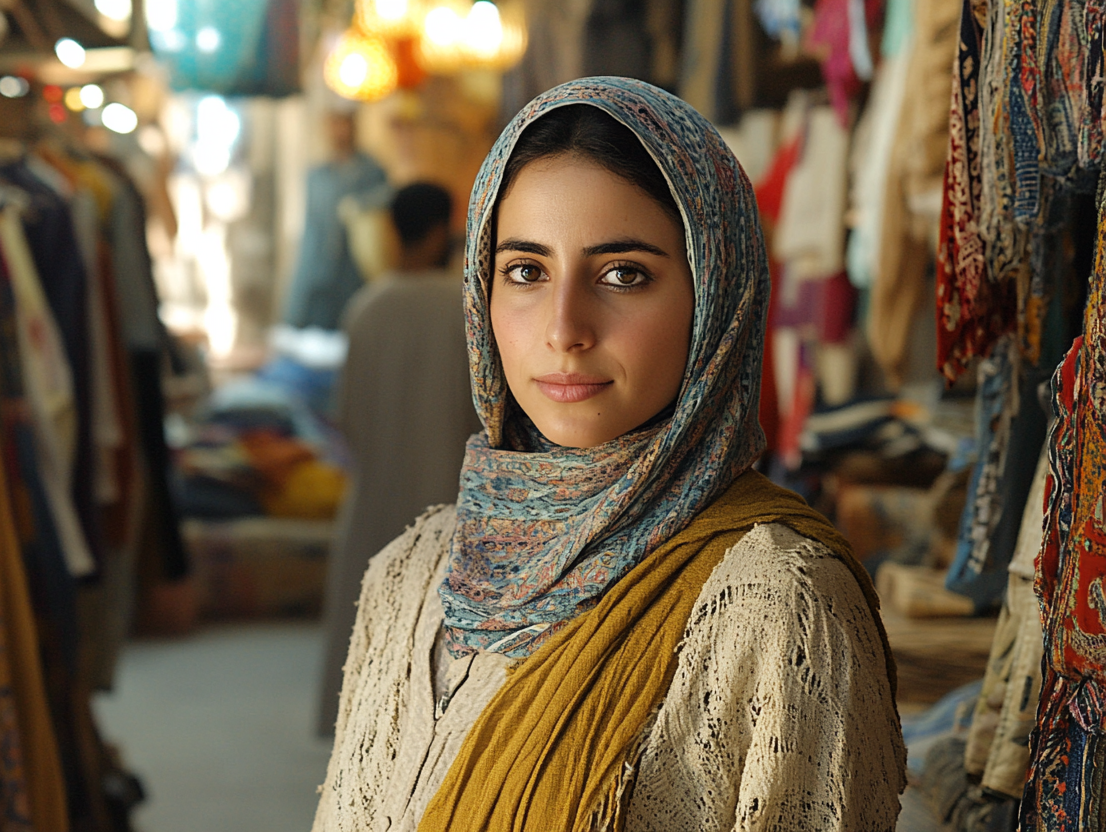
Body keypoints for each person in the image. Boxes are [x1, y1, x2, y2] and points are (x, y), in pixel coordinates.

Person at [313, 78, 905, 830]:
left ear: (715, 293)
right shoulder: (412, 572)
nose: (564, 328)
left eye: (623, 274)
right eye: (526, 270)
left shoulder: (774, 605)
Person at [316, 182, 480, 734]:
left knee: (366, 643)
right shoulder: (462, 309)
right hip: (448, 500)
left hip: (375, 497)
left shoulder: (365, 308)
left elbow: (347, 420)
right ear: (440, 231)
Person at [282, 110, 389, 332]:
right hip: (322, 272)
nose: (339, 132)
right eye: (334, 125)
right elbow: (311, 231)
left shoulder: (371, 171)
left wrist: (360, 204)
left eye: (344, 124)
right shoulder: (317, 176)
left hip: (357, 272)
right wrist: (296, 306)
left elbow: (388, 197)